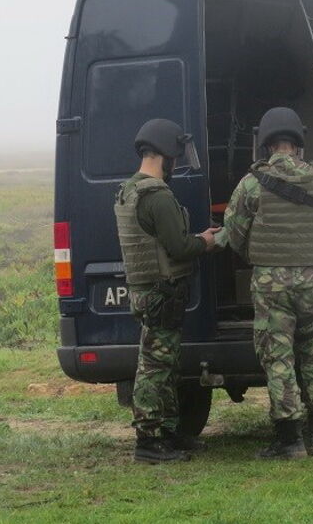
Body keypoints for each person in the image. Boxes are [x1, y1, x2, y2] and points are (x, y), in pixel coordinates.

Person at [223, 106, 313, 459]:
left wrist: (256, 254)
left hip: (271, 283)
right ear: (298, 142)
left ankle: (290, 440)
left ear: (266, 144)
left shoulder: (251, 183)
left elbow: (234, 235)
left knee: (278, 357)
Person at [114, 118, 220, 464]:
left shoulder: (129, 190)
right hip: (161, 293)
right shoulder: (157, 196)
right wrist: (204, 241)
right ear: (164, 155)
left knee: (165, 364)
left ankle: (170, 433)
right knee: (155, 368)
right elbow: (178, 247)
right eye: (175, 156)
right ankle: (148, 441)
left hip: (149, 291)